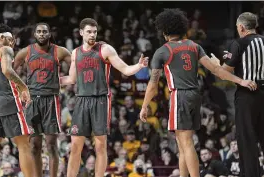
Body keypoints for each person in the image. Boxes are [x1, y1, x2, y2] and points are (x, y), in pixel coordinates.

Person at [139, 9, 256, 177]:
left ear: (164, 32)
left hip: (180, 96)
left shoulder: (163, 51)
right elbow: (217, 70)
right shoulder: (194, 46)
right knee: (182, 143)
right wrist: (240, 81)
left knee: (186, 144)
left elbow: (152, 85)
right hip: (195, 95)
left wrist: (144, 106)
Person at [60, 18, 148, 177]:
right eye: (89, 31)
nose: (92, 34)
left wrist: (139, 66)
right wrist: (52, 81)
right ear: (81, 33)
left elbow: (126, 70)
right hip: (81, 100)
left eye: (94, 31)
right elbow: (71, 79)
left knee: (100, 146)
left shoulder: (105, 49)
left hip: (100, 100)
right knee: (75, 146)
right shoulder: (75, 53)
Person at [13, 22, 71, 177]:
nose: (42, 34)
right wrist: (20, 88)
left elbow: (77, 70)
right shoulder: (25, 52)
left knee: (52, 145)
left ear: (49, 34)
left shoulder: (60, 52)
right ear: (35, 34)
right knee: (34, 146)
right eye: (39, 31)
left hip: (51, 100)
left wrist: (62, 81)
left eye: (45, 31)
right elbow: (8, 72)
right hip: (32, 101)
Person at [211, 12, 264, 177]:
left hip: (247, 95)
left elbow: (223, 73)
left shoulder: (238, 43)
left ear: (241, 27)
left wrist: (216, 65)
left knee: (247, 138)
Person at [0, 23, 35, 177]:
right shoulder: (5, 49)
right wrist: (23, 87)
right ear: (2, 37)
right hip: (9, 102)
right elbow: (6, 70)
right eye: (11, 39)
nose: (13, 43)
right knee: (23, 145)